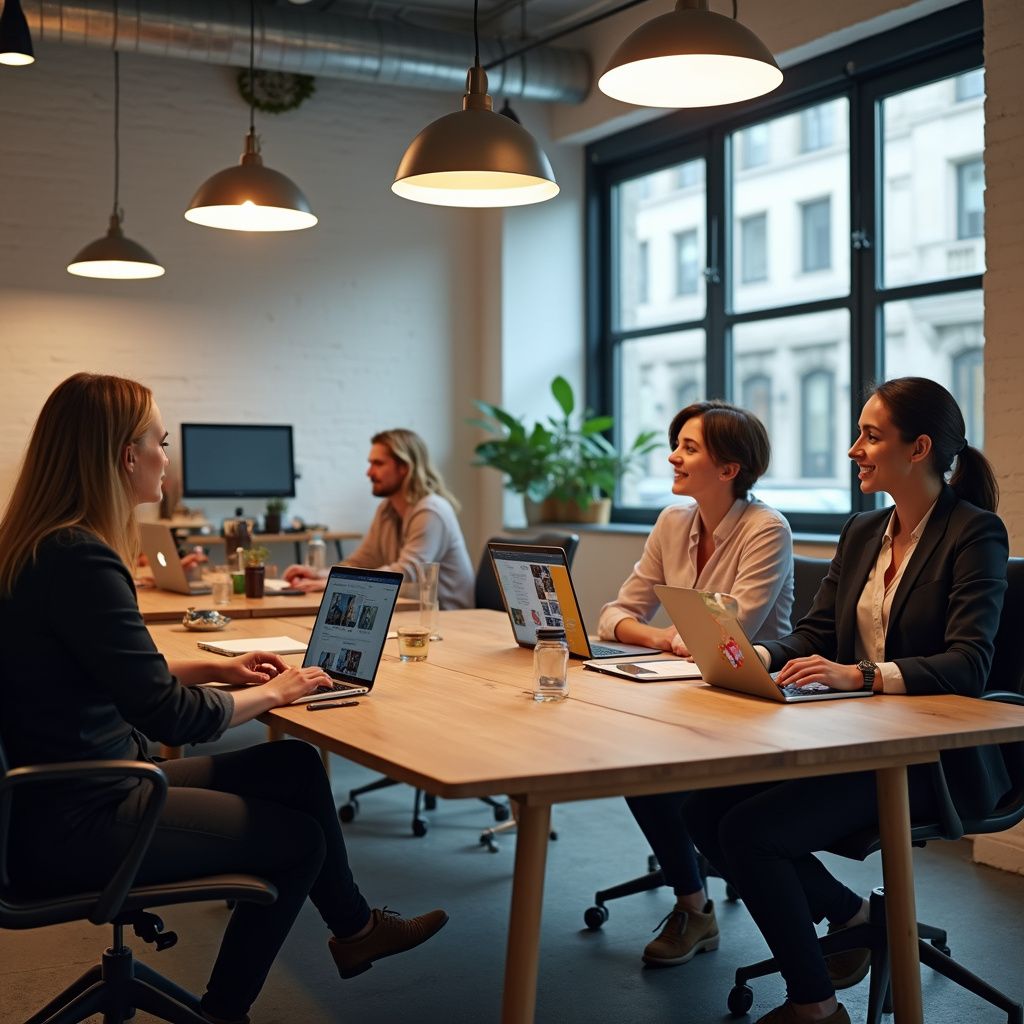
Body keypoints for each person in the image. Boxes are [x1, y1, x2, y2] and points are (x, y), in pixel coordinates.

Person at [0, 374, 448, 1024]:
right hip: (83, 818)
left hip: (56, 795)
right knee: (300, 843)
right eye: (160, 440)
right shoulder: (80, 560)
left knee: (292, 767)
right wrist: (275, 690)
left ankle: (355, 931)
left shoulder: (42, 547)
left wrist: (224, 671)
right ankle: (223, 1014)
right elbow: (171, 716)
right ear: (126, 455)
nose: (166, 455)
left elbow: (114, 672)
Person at [682, 377, 1010, 1024]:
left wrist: (858, 674)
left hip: (930, 757)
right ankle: (850, 914)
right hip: (850, 735)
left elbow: (969, 665)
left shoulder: (975, 534)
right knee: (702, 811)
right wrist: (761, 659)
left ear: (918, 449)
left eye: (870, 435)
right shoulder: (864, 531)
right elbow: (817, 630)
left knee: (751, 834)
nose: (855, 448)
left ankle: (815, 1007)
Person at [598, 399, 794, 969]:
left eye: (688, 448)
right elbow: (615, 615)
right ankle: (693, 905)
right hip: (680, 689)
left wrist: (673, 630)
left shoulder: (767, 529)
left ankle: (831, 911)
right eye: (676, 444)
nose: (672, 456)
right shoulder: (672, 521)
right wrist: (662, 638)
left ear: (729, 468)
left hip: (749, 702)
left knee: (659, 777)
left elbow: (732, 636)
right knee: (637, 767)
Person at [284, 428, 474, 609]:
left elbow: (407, 573)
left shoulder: (431, 511)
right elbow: (361, 562)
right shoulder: (387, 509)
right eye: (370, 463)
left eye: (378, 464)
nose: (369, 472)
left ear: (404, 468)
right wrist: (320, 575)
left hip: (446, 619)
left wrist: (338, 583)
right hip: (408, 613)